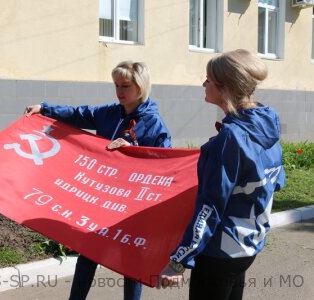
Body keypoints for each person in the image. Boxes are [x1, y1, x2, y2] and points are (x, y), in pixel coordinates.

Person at [25, 61, 172, 300]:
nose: (120, 91)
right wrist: (44, 108)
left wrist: (134, 149)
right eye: (116, 85)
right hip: (102, 200)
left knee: (131, 264)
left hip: (133, 204)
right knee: (88, 254)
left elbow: (165, 162)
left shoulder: (154, 123)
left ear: (141, 87)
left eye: (125, 86)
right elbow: (79, 114)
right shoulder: (111, 113)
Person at [156, 49, 285, 300]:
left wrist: (179, 260)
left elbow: (210, 206)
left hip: (220, 252)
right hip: (248, 246)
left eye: (208, 79)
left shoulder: (230, 138)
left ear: (224, 88)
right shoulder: (267, 124)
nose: (203, 84)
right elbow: (278, 181)